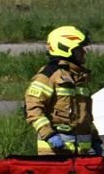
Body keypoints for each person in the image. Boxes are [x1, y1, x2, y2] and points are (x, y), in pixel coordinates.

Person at [25, 26, 97, 156]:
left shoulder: (79, 77)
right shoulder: (49, 75)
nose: (83, 52)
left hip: (82, 153)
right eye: (79, 48)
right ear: (65, 48)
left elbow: (85, 116)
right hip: (55, 153)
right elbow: (32, 108)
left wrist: (95, 137)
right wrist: (49, 135)